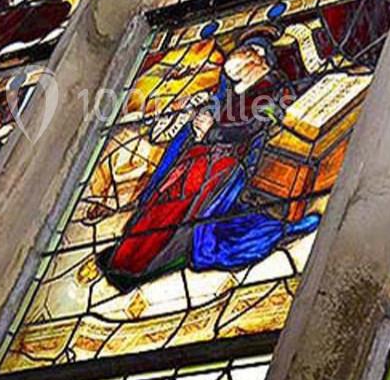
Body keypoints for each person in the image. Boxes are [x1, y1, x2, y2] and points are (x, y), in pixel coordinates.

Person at [93, 29, 319, 292]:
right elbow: (207, 119)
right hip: (198, 159)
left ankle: (145, 262)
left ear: (258, 57)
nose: (233, 60)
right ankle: (128, 260)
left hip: (228, 167)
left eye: (242, 53)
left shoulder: (276, 90)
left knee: (187, 214)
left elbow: (254, 128)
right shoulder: (228, 93)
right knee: (163, 203)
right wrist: (198, 125)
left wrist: (211, 131)